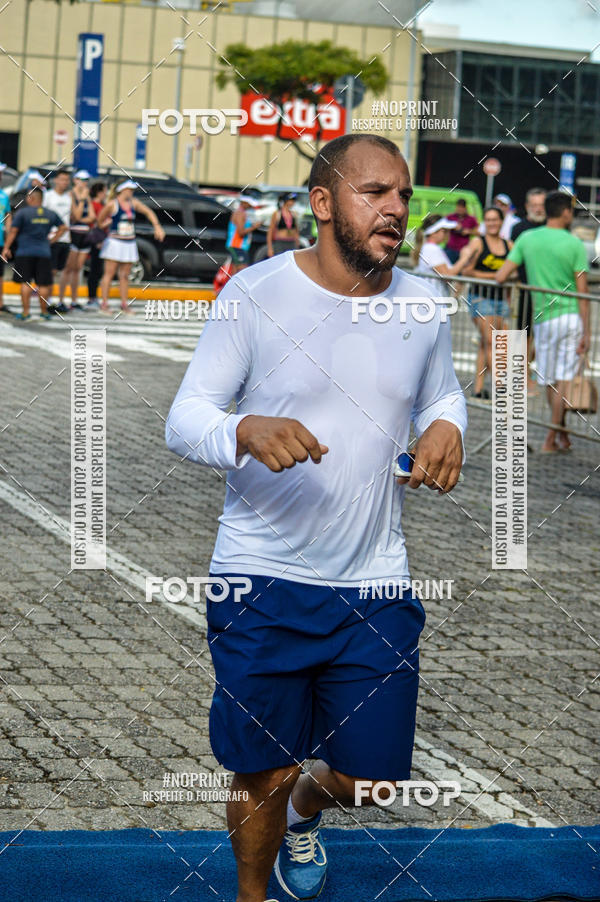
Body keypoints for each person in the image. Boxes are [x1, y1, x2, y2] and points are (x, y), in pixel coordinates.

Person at [166, 133, 466, 902]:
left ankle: (308, 813)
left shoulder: (426, 301)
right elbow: (185, 416)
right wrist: (241, 429)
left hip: (375, 580)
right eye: (376, 192)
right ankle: (252, 895)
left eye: (403, 194)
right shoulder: (257, 294)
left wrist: (446, 425)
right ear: (324, 204)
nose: (396, 208)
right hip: (261, 578)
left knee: (372, 783)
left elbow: (439, 392)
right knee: (261, 766)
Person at [496, 190, 590, 453]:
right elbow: (583, 293)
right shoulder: (574, 244)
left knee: (549, 379)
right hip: (570, 316)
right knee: (563, 379)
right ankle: (553, 435)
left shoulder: (527, 238)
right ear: (566, 212)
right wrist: (588, 332)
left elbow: (501, 276)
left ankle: (558, 434)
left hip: (543, 317)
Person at [462, 207, 512, 399]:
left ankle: (478, 389)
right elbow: (467, 271)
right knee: (493, 341)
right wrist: (496, 276)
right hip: (480, 297)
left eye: (495, 220)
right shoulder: (478, 242)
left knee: (487, 343)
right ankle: (501, 386)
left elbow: (515, 272)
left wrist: (504, 279)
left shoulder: (509, 245)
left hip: (501, 300)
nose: (492, 223)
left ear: (501, 222)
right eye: (488, 220)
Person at [97, 179, 164, 314]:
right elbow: (100, 220)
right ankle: (104, 304)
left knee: (125, 275)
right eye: (129, 190)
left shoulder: (134, 203)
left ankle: (124, 304)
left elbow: (149, 212)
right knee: (109, 274)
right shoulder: (112, 204)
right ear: (122, 190)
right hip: (115, 242)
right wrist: (106, 224)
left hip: (129, 242)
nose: (131, 192)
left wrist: (157, 226)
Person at [2, 186, 67, 321]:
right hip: (44, 252)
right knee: (43, 284)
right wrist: (52, 241)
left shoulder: (23, 213)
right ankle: (44, 312)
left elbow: (13, 231)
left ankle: (26, 313)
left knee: (26, 283)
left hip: (24, 252)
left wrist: (6, 248)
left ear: (30, 198)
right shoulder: (50, 213)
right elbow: (63, 228)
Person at [509, 188, 547, 394]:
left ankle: (528, 374)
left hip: (549, 293)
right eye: (534, 205)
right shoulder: (518, 229)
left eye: (541, 205)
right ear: (526, 207)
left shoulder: (553, 228)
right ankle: (520, 377)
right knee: (523, 334)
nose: (538, 209)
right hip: (523, 290)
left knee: (543, 335)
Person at [57, 169, 95, 311]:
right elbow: (76, 216)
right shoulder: (71, 195)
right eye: (81, 180)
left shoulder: (87, 196)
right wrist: (83, 200)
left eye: (86, 180)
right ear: (75, 180)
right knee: (68, 268)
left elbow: (92, 217)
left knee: (78, 269)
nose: (84, 183)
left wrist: (83, 215)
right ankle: (61, 299)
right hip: (73, 234)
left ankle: (74, 300)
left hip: (84, 234)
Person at [410, 213, 473, 294]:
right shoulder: (432, 249)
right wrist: (464, 258)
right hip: (433, 300)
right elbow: (447, 276)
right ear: (434, 232)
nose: (448, 233)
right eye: (444, 230)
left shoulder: (429, 247)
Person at [44, 168, 72, 301]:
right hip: (52, 238)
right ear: (55, 180)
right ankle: (47, 299)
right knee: (51, 270)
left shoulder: (69, 198)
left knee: (62, 270)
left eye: (67, 180)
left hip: (66, 239)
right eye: (62, 179)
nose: (64, 182)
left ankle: (58, 300)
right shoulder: (48, 196)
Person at [226, 195, 262, 273]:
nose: (251, 206)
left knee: (235, 271)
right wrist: (254, 227)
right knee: (243, 270)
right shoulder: (240, 214)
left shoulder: (242, 213)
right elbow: (241, 232)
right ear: (244, 203)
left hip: (240, 247)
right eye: (249, 204)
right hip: (237, 246)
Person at [86, 181, 107, 306]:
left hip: (103, 240)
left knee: (99, 270)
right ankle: (91, 297)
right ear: (99, 192)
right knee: (94, 270)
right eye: (104, 191)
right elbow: (95, 223)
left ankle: (94, 296)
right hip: (96, 240)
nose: (106, 194)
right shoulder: (94, 205)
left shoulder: (103, 204)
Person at [267, 192, 300, 257]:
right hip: (280, 243)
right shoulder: (277, 214)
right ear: (286, 201)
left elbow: (296, 231)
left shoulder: (293, 214)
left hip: (291, 243)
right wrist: (270, 248)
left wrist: (297, 243)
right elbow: (270, 232)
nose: (293, 202)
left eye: (294, 200)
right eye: (291, 200)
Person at [445, 198, 479, 262]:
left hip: (464, 249)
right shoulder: (450, 217)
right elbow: (443, 228)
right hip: (450, 248)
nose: (460, 209)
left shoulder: (471, 219)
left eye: (462, 207)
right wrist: (452, 227)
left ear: (465, 208)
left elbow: (478, 232)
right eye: (458, 207)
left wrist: (468, 231)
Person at [0, 162, 12, 314]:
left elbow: (8, 215)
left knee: (0, 273)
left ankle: (0, 303)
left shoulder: (4, 195)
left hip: (1, 241)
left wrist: (8, 241)